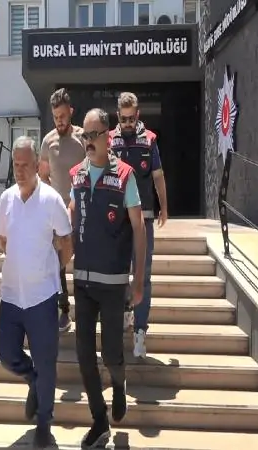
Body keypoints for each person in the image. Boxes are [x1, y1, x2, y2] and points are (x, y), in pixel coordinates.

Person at [69, 109, 147, 448]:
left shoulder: (125, 176)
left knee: (112, 354)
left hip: (114, 283)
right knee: (84, 355)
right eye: (84, 136)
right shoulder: (77, 175)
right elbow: (72, 216)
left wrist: (138, 281)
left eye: (93, 135)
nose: (88, 142)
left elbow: (139, 230)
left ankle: (118, 383)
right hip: (83, 281)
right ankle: (99, 420)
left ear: (108, 136)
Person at [0, 136, 74, 448]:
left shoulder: (51, 200)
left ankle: (44, 422)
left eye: (25, 165)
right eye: (16, 165)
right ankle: (31, 379)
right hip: (12, 296)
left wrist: (51, 268)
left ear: (37, 166)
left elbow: (66, 242)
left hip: (42, 297)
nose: (20, 171)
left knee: (46, 361)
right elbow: (3, 240)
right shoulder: (6, 199)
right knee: (5, 353)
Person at [109, 92, 169, 359]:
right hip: (117, 218)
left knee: (143, 274)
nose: (128, 123)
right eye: (123, 119)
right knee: (118, 271)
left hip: (143, 218)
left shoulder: (150, 140)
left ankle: (140, 331)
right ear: (117, 116)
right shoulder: (109, 140)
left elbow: (158, 176)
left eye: (131, 118)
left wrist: (164, 207)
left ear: (138, 115)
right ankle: (125, 310)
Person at [39, 88, 86, 333]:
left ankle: (88, 310)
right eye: (56, 116)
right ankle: (63, 310)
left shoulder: (82, 137)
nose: (59, 121)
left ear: (71, 112)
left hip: (83, 209)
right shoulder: (48, 141)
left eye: (63, 116)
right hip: (57, 212)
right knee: (58, 263)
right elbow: (43, 176)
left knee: (85, 261)